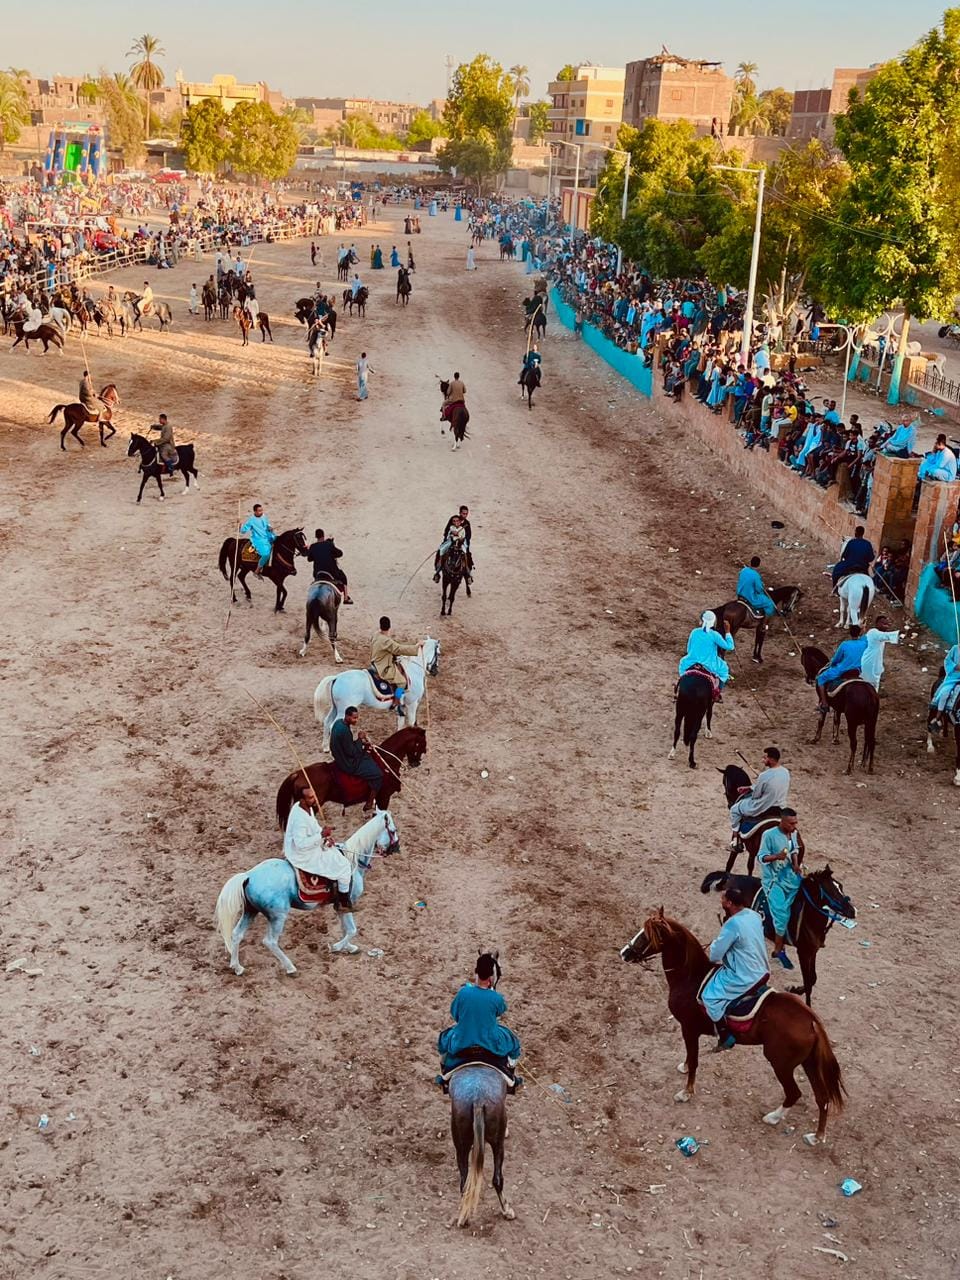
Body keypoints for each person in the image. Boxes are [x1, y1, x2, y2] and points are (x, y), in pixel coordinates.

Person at [700, 882, 770, 1050]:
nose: (721, 901)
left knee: (709, 997)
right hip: (763, 969)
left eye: (723, 899)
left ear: (730, 903)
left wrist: (719, 941)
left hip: (745, 974)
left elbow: (715, 955)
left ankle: (725, 1035)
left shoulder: (732, 925)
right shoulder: (753, 915)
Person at [437, 952, 521, 1077]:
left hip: (462, 1040)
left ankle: (444, 1072)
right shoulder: (496, 998)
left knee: (442, 1041)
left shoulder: (463, 992)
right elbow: (500, 1012)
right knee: (514, 1043)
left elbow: (455, 1014)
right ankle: (511, 1071)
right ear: (491, 978)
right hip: (491, 1041)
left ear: (476, 973)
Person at [283, 781, 354, 911]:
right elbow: (301, 845)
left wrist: (325, 837)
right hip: (302, 854)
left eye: (314, 795)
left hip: (311, 844)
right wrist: (321, 835)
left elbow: (314, 827)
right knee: (344, 867)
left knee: (335, 849)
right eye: (310, 797)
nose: (315, 798)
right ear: (301, 799)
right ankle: (343, 903)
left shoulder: (307, 807)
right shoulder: (299, 819)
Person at [757, 809, 804, 969]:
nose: (794, 825)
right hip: (773, 879)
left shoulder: (794, 833)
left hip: (790, 875)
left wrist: (796, 865)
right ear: (782, 821)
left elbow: (795, 850)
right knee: (782, 913)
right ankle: (778, 949)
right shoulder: (769, 835)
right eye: (791, 823)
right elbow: (761, 857)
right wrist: (776, 856)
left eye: (795, 822)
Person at [728, 747, 791, 846]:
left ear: (771, 759)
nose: (762, 760)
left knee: (734, 810)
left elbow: (756, 795)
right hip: (781, 807)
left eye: (764, 758)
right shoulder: (786, 772)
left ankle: (735, 841)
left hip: (763, 806)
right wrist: (751, 787)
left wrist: (753, 788)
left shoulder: (764, 776)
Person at [330, 706, 383, 811]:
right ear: (347, 716)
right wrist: (360, 739)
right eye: (354, 718)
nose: (356, 720)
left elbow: (346, 745)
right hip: (348, 763)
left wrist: (359, 743)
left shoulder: (338, 723)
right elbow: (352, 752)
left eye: (357, 717)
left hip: (339, 755)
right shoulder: (345, 731)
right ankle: (369, 802)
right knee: (378, 774)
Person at [371, 616, 420, 716]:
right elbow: (398, 649)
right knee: (402, 682)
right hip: (383, 666)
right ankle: (396, 701)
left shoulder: (376, 635)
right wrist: (416, 647)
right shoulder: (386, 640)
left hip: (376, 662)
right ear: (389, 627)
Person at [815, 625, 868, 712]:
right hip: (858, 670)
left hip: (843, 670)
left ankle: (824, 704)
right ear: (859, 633)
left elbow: (837, 659)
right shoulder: (864, 643)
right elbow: (864, 636)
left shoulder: (845, 645)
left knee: (821, 678)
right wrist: (863, 630)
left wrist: (832, 664)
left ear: (850, 633)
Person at [678, 610, 735, 687]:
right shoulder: (715, 635)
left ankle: (681, 684)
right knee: (724, 670)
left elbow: (689, 649)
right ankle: (718, 691)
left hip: (691, 661)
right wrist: (727, 632)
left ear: (702, 621)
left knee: (682, 665)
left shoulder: (694, 632)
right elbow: (730, 647)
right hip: (709, 665)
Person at [307, 528, 352, 602]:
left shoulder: (313, 546)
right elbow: (340, 553)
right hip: (331, 571)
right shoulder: (329, 544)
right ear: (323, 536)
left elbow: (309, 559)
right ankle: (346, 598)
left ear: (316, 537)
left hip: (317, 573)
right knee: (344, 578)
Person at [860, 615, 900, 690]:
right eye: (883, 623)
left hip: (875, 665)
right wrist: (901, 633)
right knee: (868, 687)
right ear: (876, 624)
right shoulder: (873, 632)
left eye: (887, 624)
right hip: (869, 664)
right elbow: (887, 636)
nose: (886, 625)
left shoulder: (880, 636)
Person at [240, 503, 275, 576]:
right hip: (258, 539)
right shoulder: (251, 520)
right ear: (255, 512)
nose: (261, 512)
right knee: (266, 554)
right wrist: (240, 526)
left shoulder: (264, 516)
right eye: (259, 511)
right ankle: (257, 570)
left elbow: (267, 525)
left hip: (268, 536)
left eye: (261, 510)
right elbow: (243, 531)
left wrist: (270, 528)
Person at [433, 513, 468, 580]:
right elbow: (450, 535)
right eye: (454, 521)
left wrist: (460, 538)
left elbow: (463, 537)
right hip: (451, 542)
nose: (456, 522)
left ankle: (467, 570)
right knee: (442, 550)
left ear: (460, 522)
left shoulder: (462, 529)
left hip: (460, 543)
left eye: (457, 521)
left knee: (465, 552)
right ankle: (438, 571)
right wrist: (453, 533)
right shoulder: (452, 528)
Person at [930, 643, 960, 715]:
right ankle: (938, 716)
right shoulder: (955, 648)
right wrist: (955, 666)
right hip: (953, 677)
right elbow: (947, 660)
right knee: (945, 693)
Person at [148, 413, 178, 477]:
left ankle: (171, 467)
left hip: (168, 445)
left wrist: (155, 441)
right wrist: (154, 427)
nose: (159, 420)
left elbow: (166, 439)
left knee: (163, 454)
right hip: (164, 443)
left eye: (160, 419)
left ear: (163, 419)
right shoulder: (165, 425)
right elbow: (161, 427)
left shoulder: (168, 427)